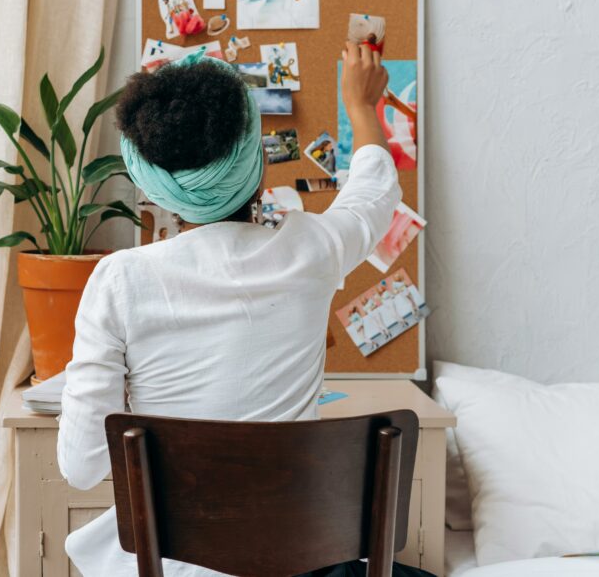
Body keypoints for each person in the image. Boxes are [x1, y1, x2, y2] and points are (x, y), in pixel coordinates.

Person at [57, 42, 434, 577]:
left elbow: (81, 467)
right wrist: (360, 106)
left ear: (157, 193)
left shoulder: (120, 281)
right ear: (258, 168)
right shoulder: (310, 249)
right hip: (303, 567)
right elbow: (373, 193)